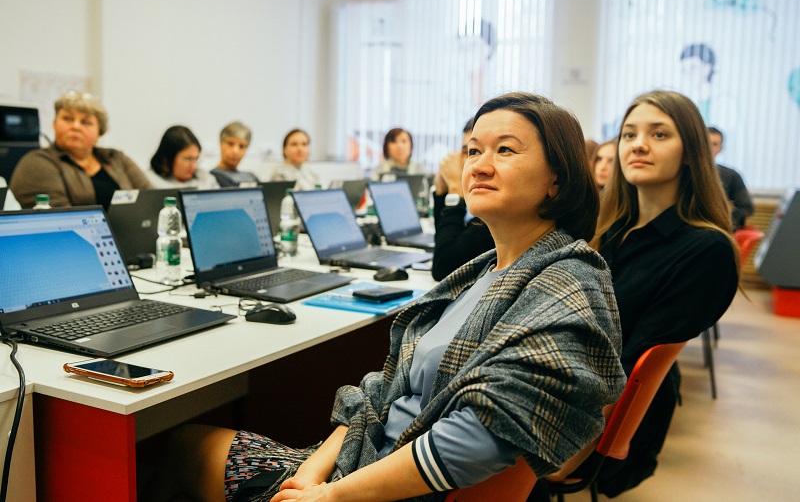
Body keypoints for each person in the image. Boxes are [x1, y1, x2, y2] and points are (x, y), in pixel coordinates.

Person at [146, 92, 627, 502]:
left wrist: (330, 495)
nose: (479, 165)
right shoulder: (489, 271)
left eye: (504, 150)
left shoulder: (568, 282)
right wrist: (311, 475)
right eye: (472, 150)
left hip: (386, 489)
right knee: (184, 443)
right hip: (363, 466)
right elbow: (385, 390)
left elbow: (480, 437)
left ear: (557, 177)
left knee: (176, 446)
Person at [589, 90, 739, 496]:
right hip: (572, 387)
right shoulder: (610, 230)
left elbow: (629, 363)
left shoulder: (706, 250)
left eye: (659, 134)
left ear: (690, 152)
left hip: (608, 421)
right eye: (629, 134)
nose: (638, 145)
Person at [9, 90, 152, 209]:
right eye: (67, 119)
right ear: (54, 124)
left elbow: (151, 198)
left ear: (100, 131)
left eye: (86, 122)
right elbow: (62, 219)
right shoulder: (37, 162)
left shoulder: (115, 157)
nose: (76, 126)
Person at [431, 117, 494, 281]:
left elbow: (443, 268)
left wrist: (455, 190)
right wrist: (442, 193)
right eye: (471, 152)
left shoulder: (495, 213)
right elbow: (445, 242)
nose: (477, 165)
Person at [708, 126, 754, 231]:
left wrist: (727, 222)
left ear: (720, 148)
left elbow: (746, 208)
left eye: (714, 144)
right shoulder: (683, 172)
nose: (709, 147)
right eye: (706, 142)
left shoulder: (731, 175)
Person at [147, 125, 219, 189]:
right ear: (167, 158)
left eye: (196, 159)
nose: (193, 166)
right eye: (187, 159)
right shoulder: (149, 181)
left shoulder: (205, 178)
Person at [212, 121, 259, 187]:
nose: (235, 151)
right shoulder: (211, 179)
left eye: (241, 146)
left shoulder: (251, 177)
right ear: (220, 143)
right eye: (230, 144)